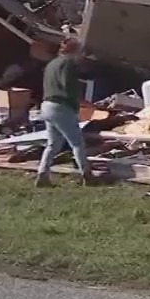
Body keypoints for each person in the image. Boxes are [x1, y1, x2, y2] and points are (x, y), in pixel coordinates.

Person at [35, 37, 96, 187]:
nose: (82, 55)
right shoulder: (68, 63)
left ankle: (42, 174)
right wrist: (82, 102)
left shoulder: (51, 64)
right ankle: (87, 175)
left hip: (47, 105)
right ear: (75, 51)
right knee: (77, 143)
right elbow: (68, 86)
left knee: (52, 145)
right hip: (62, 106)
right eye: (81, 51)